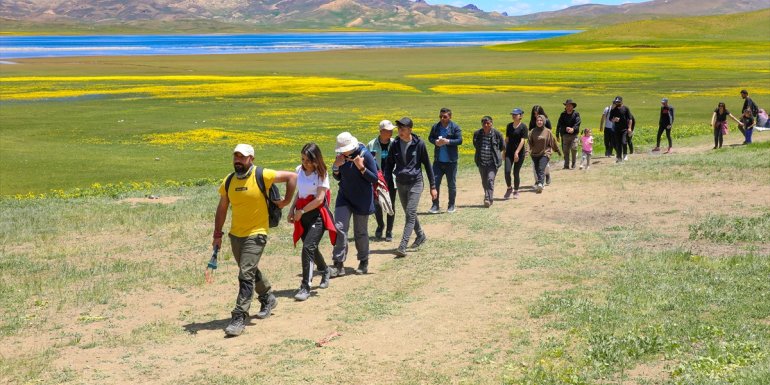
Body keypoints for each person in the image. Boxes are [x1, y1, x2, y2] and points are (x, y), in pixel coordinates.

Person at [213, 143, 297, 337]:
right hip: (236, 235)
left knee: (245, 273)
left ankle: (239, 316)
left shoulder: (262, 175)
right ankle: (267, 297)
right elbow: (222, 208)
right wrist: (217, 234)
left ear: (251, 158)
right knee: (249, 270)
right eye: (235, 156)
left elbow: (292, 177)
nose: (238, 160)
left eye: (242, 157)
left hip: (257, 232)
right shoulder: (229, 181)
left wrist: (285, 202)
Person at [288, 143, 337, 301]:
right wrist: (291, 210)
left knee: (308, 247)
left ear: (316, 159)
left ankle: (305, 287)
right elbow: (299, 193)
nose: (305, 163)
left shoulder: (321, 174)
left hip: (317, 215)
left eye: (309, 160)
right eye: (303, 159)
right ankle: (325, 271)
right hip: (302, 216)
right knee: (311, 249)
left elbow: (319, 199)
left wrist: (301, 211)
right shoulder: (298, 171)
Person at [384, 117, 437, 258]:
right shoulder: (394, 144)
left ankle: (403, 245)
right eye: (399, 128)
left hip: (416, 182)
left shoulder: (419, 144)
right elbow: (389, 165)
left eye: (403, 128)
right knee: (410, 213)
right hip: (400, 182)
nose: (400, 131)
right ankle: (420, 236)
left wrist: (433, 186)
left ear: (410, 130)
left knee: (410, 213)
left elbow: (427, 165)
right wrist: (385, 183)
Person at [331, 132, 378, 276]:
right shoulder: (341, 157)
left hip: (362, 199)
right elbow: (337, 177)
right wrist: (336, 167)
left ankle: (363, 261)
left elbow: (374, 178)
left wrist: (361, 167)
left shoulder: (365, 155)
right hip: (344, 197)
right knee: (339, 228)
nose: (342, 152)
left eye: (344, 149)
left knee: (360, 232)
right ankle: (338, 264)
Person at [367, 120, 397, 241]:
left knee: (391, 205)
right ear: (381, 131)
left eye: (391, 130)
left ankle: (389, 230)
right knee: (377, 204)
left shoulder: (395, 143)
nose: (391, 132)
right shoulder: (371, 144)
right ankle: (380, 225)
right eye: (388, 130)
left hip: (392, 178)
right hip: (377, 179)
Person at [428, 107, 463, 214]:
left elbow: (460, 140)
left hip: (451, 162)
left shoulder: (455, 127)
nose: (442, 119)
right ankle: (435, 205)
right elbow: (430, 138)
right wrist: (435, 142)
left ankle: (451, 205)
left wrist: (447, 141)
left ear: (450, 117)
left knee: (451, 184)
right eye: (440, 116)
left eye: (445, 117)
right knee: (435, 184)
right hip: (438, 161)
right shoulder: (436, 126)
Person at [473, 116, 505, 207]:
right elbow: (476, 145)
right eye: (484, 123)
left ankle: (487, 198)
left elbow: (502, 146)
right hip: (482, 162)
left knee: (490, 179)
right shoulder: (477, 134)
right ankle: (489, 196)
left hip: (493, 162)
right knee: (484, 181)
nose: (486, 125)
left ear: (491, 123)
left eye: (488, 123)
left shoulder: (497, 134)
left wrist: (496, 154)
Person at [528, 115, 562, 193]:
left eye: (541, 120)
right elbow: (529, 143)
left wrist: (557, 150)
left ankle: (540, 183)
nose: (539, 122)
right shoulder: (532, 131)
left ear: (543, 121)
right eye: (537, 120)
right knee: (536, 169)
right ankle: (541, 182)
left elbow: (553, 142)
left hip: (545, 153)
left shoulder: (547, 131)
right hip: (535, 154)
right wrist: (527, 152)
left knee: (541, 168)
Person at [504, 108, 528, 199]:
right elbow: (507, 139)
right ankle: (509, 188)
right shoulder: (509, 126)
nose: (513, 116)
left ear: (520, 116)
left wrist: (517, 153)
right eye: (512, 114)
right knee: (507, 171)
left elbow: (522, 141)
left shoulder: (523, 127)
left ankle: (516, 190)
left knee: (516, 172)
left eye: (515, 114)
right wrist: (504, 151)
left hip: (519, 153)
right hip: (509, 152)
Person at [529, 105, 552, 185]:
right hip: (535, 147)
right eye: (534, 114)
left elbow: (550, 133)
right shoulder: (532, 122)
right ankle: (538, 181)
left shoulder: (547, 121)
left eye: (538, 113)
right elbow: (530, 134)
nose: (536, 115)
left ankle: (547, 174)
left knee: (546, 165)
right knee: (535, 165)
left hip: (545, 147)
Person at [556, 99, 581, 169]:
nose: (568, 107)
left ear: (573, 106)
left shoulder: (576, 114)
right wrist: (557, 133)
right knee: (565, 150)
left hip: (574, 135)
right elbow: (559, 124)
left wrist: (573, 129)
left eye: (570, 105)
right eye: (567, 105)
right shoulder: (563, 114)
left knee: (574, 148)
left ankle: (573, 163)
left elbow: (578, 123)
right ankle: (566, 165)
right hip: (565, 135)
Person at [609, 96, 633, 163]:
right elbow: (610, 119)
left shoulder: (626, 108)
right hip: (617, 129)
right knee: (618, 144)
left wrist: (629, 128)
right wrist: (614, 119)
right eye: (616, 102)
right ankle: (619, 157)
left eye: (618, 102)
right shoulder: (613, 109)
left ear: (621, 101)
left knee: (624, 142)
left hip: (625, 129)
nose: (617, 103)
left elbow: (630, 119)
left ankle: (625, 155)